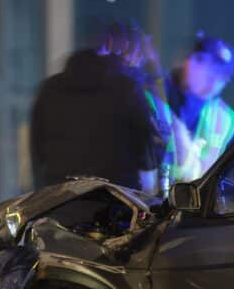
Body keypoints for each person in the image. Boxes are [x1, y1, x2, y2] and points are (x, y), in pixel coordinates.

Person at [31, 21, 159, 192]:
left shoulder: (49, 89)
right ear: (109, 44)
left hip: (61, 195)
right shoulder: (127, 88)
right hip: (116, 196)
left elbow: (37, 151)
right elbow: (147, 153)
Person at [165, 32, 234, 180]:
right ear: (188, 61)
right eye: (210, 69)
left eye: (223, 76)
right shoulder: (156, 97)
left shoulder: (224, 118)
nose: (214, 81)